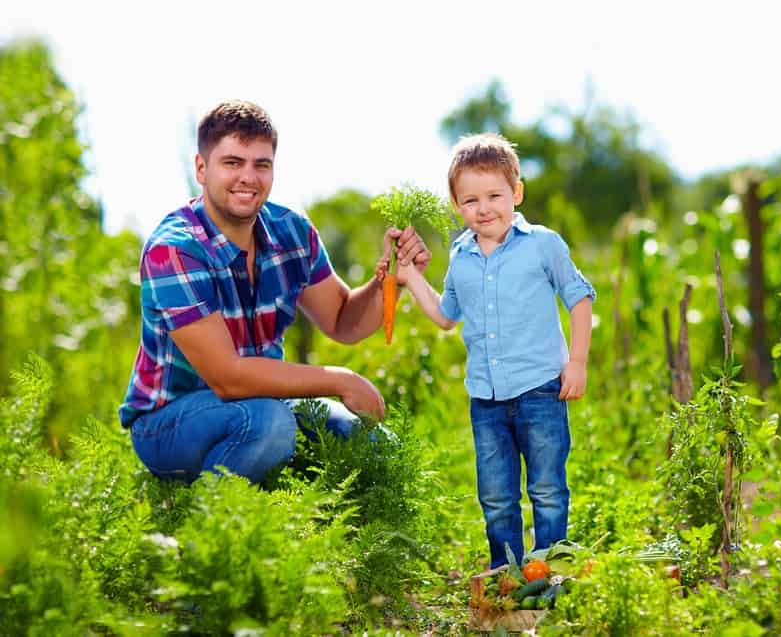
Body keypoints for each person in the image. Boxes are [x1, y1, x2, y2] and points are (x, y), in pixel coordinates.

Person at [119, 100, 430, 484]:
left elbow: (343, 321)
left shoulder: (291, 232)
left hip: (267, 404)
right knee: (269, 424)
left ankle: (330, 533)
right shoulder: (174, 249)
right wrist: (340, 379)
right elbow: (228, 378)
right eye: (232, 163)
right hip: (169, 423)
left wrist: (391, 282)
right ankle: (206, 525)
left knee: (379, 448)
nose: (248, 177)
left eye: (261, 164)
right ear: (202, 168)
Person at [379, 133, 595, 568]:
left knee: (547, 489)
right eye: (470, 200)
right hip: (486, 400)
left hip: (540, 390)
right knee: (496, 496)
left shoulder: (542, 244)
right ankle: (507, 575)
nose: (484, 208)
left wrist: (577, 361)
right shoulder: (460, 257)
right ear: (457, 205)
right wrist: (409, 278)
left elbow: (579, 298)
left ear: (516, 193)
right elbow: (445, 315)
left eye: (495, 195)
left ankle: (550, 573)